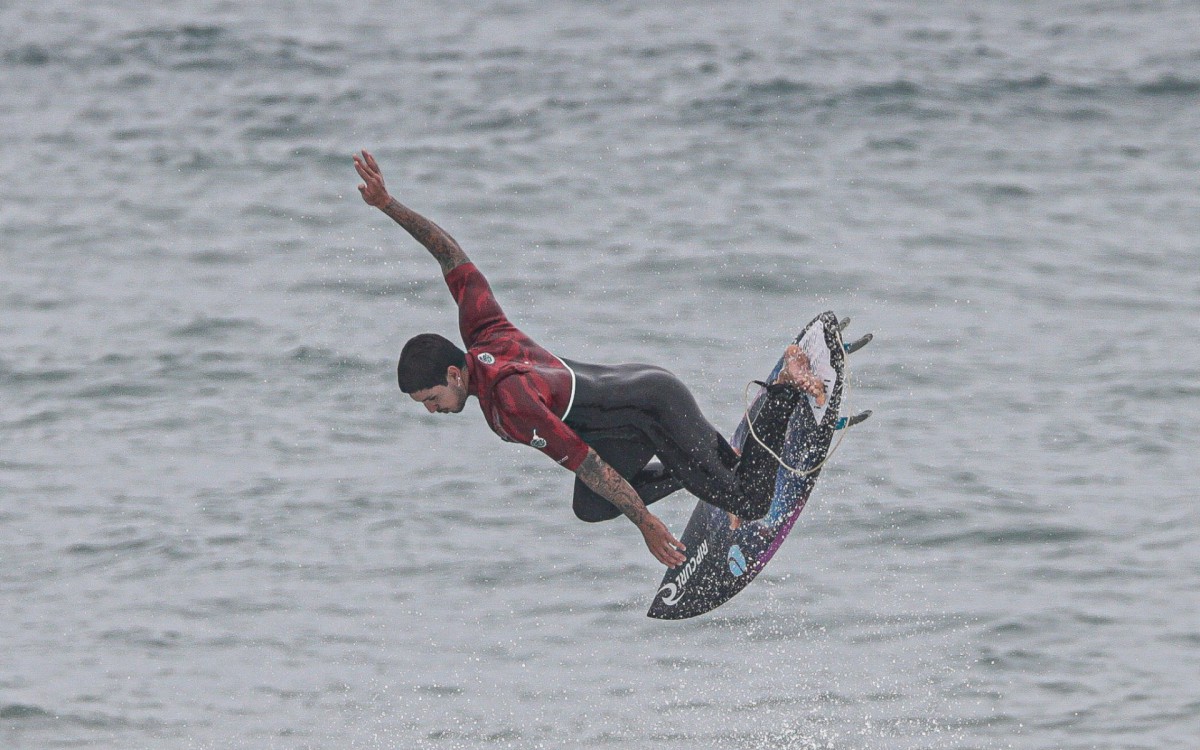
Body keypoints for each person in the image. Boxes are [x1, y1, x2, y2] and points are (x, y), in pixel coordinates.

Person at [353, 150, 826, 569]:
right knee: (592, 507)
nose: (431, 410)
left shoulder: (508, 404)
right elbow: (448, 252)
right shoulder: (483, 332)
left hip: (654, 409)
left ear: (454, 374)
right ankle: (708, 466)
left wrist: (647, 525)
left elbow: (591, 465)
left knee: (752, 498)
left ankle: (785, 386)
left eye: (431, 398)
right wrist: (387, 205)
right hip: (638, 402)